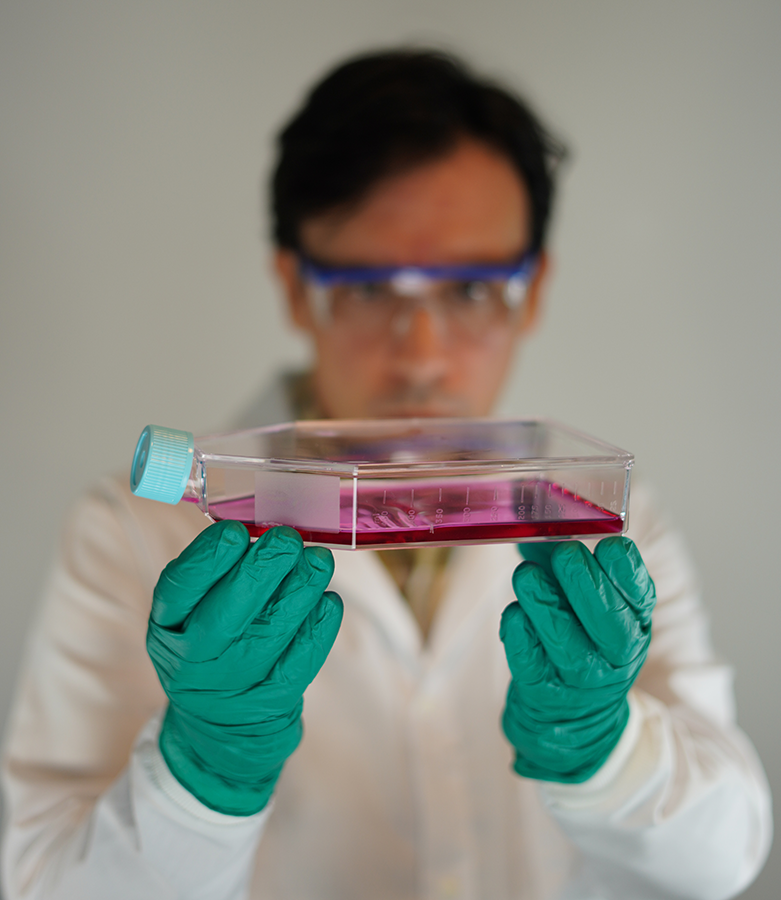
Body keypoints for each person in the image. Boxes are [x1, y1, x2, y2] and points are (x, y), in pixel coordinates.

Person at [1, 49, 772, 900]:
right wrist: (200, 778)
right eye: (368, 289)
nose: (421, 357)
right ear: (296, 288)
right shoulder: (128, 530)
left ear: (534, 289)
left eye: (474, 290)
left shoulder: (609, 523)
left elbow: (722, 859)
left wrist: (606, 748)